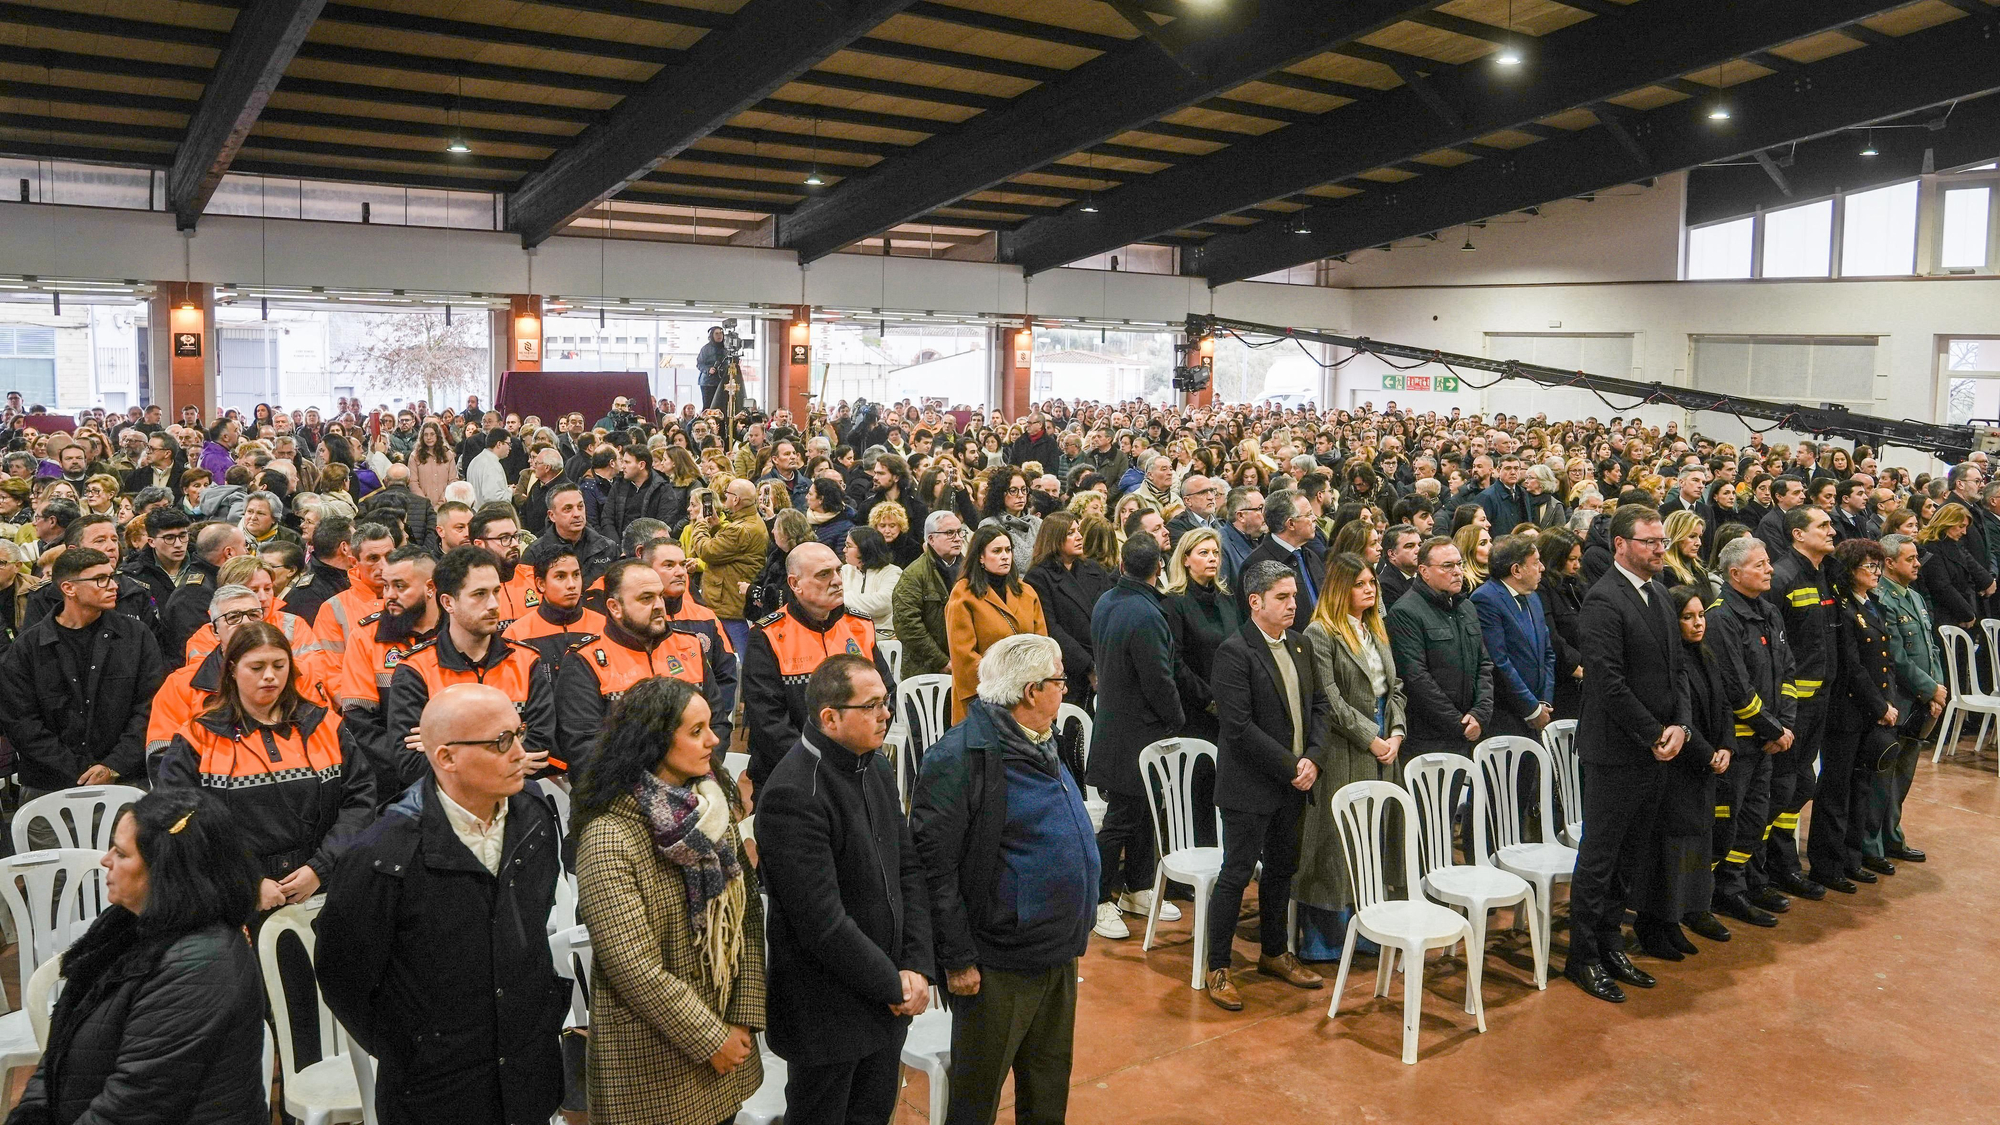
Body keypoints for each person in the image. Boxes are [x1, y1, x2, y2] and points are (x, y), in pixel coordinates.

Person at [315, 683, 566, 1125]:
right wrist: (410, 1047)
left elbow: (532, 926)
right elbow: (343, 973)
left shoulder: (534, 817)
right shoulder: (383, 851)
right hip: (435, 1089)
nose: (520, 753)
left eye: (520, 734)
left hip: (528, 1074)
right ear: (446, 757)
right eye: (501, 742)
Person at [909, 634, 1096, 1125]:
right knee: (977, 1099)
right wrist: (957, 960)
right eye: (1060, 680)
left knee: (1048, 1086)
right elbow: (935, 869)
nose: (1065, 689)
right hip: (997, 965)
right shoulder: (961, 757)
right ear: (1032, 691)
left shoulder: (1043, 740)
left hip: (1055, 952)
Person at [573, 676, 766, 1125]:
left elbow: (748, 918)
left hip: (723, 1050)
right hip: (651, 1063)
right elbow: (633, 969)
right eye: (696, 731)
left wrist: (741, 1020)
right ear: (655, 740)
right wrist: (711, 1038)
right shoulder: (609, 835)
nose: (715, 739)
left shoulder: (713, 808)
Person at [11, 789, 266, 1125]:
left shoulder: (201, 966)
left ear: (165, 871)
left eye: (120, 853)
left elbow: (133, 1108)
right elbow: (59, 1047)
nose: (105, 860)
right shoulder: (125, 925)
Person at [758, 655, 934, 1125]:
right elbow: (822, 923)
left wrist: (916, 963)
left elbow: (908, 871)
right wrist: (892, 982)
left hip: (885, 1001)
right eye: (872, 705)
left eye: (886, 703)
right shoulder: (792, 793)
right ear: (830, 717)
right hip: (826, 1013)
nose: (886, 714)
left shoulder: (872, 767)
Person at [158, 621, 375, 912]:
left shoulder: (325, 725)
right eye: (257, 667)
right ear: (233, 670)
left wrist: (321, 867)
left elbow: (360, 801)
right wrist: (245, 880)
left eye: (279, 665)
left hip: (323, 886)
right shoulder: (196, 737)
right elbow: (179, 823)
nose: (270, 676)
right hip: (235, 898)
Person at [1566, 505, 1690, 1004]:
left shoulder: (1658, 593)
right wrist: (1654, 733)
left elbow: (1677, 669)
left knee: (1631, 855)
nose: (1660, 548)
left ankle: (1612, 942)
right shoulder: (1603, 600)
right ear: (1621, 545)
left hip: (1656, 748)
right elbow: (1608, 682)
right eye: (1649, 541)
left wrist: (1680, 725)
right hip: (1615, 751)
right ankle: (1583, 955)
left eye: (1661, 540)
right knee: (1600, 856)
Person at [1203, 560, 1330, 1010]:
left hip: (1294, 782)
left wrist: (1312, 758)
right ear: (1255, 602)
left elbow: (1318, 706)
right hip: (1249, 787)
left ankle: (1273, 953)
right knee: (1236, 875)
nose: (1293, 604)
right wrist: (1292, 764)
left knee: (1282, 871)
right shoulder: (1234, 651)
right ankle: (1217, 966)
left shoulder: (1299, 645)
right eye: (1282, 597)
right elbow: (1238, 727)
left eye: (1294, 595)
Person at [0, 547, 166, 821]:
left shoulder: (136, 636)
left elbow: (150, 706)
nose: (113, 586)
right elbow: (20, 721)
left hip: (124, 783)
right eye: (100, 579)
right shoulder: (28, 647)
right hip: (48, 790)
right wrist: (79, 770)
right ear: (69, 588)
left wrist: (112, 766)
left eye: (112, 577)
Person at [1298, 551, 1405, 957]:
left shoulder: (1376, 628)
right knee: (1337, 838)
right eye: (1360, 585)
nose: (1369, 590)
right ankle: (1327, 940)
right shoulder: (1320, 633)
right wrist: (1370, 737)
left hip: (1384, 743)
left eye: (1372, 583)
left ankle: (1369, 925)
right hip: (1344, 747)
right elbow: (1329, 699)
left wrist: (1395, 732)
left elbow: (1394, 687)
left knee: (1374, 835)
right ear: (1340, 589)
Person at [384, 546, 555, 795]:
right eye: (479, 594)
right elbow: (410, 766)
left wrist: (451, 747)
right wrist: (508, 753)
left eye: (496, 591)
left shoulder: (527, 661)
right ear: (448, 603)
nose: (494, 604)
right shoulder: (415, 670)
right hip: (446, 816)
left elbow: (539, 750)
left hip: (518, 804)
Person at [1083, 534, 1184, 941]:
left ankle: (1138, 888)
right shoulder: (1145, 613)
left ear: (1122, 565)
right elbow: (1158, 678)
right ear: (1159, 568)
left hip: (1116, 722)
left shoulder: (1107, 601)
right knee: (1123, 818)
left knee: (1144, 812)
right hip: (1137, 731)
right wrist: (1176, 717)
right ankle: (1100, 898)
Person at [741, 541, 894, 789]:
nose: (836, 580)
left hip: (857, 767)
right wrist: (820, 765)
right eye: (824, 574)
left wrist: (861, 749)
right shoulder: (768, 634)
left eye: (838, 571)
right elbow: (768, 720)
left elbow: (887, 694)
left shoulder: (860, 625)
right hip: (791, 776)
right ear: (795, 584)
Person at [556, 558, 723, 775]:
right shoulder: (583, 660)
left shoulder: (689, 646)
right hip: (617, 798)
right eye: (646, 598)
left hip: (695, 785)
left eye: (660, 596)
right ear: (615, 608)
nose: (659, 606)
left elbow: (717, 720)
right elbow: (585, 750)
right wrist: (662, 780)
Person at [1637, 586, 1732, 961]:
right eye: (1688, 617)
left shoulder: (1706, 655)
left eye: (1701, 615)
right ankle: (1655, 922)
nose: (1698, 623)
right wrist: (1708, 754)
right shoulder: (1668, 661)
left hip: (1704, 768)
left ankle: (1681, 915)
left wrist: (1727, 746)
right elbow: (1678, 717)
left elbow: (1722, 705)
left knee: (1696, 845)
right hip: (1679, 768)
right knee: (1667, 851)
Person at [1703, 535, 1792, 929]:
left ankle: (1742, 883)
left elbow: (1787, 671)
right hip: (1740, 741)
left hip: (1768, 740)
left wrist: (1784, 725)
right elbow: (1737, 688)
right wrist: (1772, 729)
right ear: (1735, 573)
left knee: (1758, 817)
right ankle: (1722, 890)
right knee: (1730, 820)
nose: (1769, 569)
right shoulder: (1721, 617)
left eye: (1768, 563)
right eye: (1760, 565)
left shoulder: (1770, 611)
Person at [1764, 505, 1837, 903]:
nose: (1831, 530)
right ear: (1797, 534)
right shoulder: (1783, 578)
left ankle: (1780, 861)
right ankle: (1773, 865)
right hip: (1792, 707)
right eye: (1822, 525)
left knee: (1800, 783)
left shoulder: (1822, 573)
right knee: (1784, 785)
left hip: (1819, 700)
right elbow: (1777, 653)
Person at [1818, 537, 1897, 894]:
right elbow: (1852, 666)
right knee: (1836, 789)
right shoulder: (1843, 609)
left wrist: (1885, 704)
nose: (1876, 572)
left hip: (1870, 712)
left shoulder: (1873, 605)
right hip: (1847, 712)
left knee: (1861, 786)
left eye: (1878, 566)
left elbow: (1884, 661)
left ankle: (1852, 858)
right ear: (1852, 571)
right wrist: (1879, 706)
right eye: (1870, 566)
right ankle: (1827, 864)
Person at [338, 545, 441, 797]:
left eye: (400, 586)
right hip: (393, 784)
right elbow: (359, 722)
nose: (389, 596)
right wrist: (412, 763)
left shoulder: (457, 634)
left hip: (457, 770)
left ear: (430, 588)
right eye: (386, 586)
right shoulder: (365, 637)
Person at [1385, 536, 1492, 760]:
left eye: (1459, 564)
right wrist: (1459, 723)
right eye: (1447, 566)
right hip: (1430, 737)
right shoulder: (1405, 611)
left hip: (1472, 729)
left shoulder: (1467, 607)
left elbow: (1484, 663)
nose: (1457, 571)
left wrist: (1480, 714)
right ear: (1424, 571)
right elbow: (1416, 677)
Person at [1873, 533, 1939, 869]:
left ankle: (1892, 836)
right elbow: (1897, 657)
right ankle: (1874, 845)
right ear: (1889, 562)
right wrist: (1930, 690)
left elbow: (1930, 647)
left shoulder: (1913, 596)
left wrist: (1938, 688)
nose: (1917, 564)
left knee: (1903, 777)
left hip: (1922, 701)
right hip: (1899, 700)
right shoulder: (1883, 599)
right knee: (1883, 777)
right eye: (1910, 559)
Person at [943, 525, 1047, 725]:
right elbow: (963, 656)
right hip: (983, 700)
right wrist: (1005, 686)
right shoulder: (963, 594)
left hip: (1026, 697)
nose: (1005, 556)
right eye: (997, 551)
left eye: (1008, 550)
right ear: (980, 557)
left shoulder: (1027, 592)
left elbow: (1042, 645)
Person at [1022, 510, 1113, 709]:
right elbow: (1051, 629)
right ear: (1055, 538)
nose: (1079, 537)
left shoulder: (1094, 570)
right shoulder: (1038, 577)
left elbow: (1112, 612)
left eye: (1078, 531)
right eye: (1071, 533)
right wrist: (1089, 666)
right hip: (1069, 671)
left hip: (1105, 660)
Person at [1470, 533, 1556, 739]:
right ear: (1516, 570)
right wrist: (1531, 707)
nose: (1542, 568)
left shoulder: (1533, 596)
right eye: (1536, 563)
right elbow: (1499, 662)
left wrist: (1544, 702)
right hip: (1507, 715)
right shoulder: (1485, 599)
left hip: (1538, 709)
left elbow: (1548, 653)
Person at [1162, 526, 1242, 744]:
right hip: (1198, 709)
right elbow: (1175, 661)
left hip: (1234, 701)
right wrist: (1209, 700)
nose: (1212, 559)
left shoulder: (1226, 597)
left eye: (1216, 553)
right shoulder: (1173, 602)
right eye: (1204, 553)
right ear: (1186, 559)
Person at [688, 478, 770, 656]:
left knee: (743, 652)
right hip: (731, 597)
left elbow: (707, 551)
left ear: (736, 500)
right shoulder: (751, 522)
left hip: (729, 600)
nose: (725, 497)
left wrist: (701, 524)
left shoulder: (740, 529)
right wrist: (717, 527)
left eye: (728, 494)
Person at [504, 541, 608, 665]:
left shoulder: (605, 627)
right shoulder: (516, 634)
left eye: (576, 575)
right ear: (541, 584)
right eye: (560, 577)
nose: (571, 585)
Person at [890, 510, 963, 680]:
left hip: (964, 662)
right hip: (926, 669)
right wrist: (942, 661)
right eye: (950, 533)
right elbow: (907, 625)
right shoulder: (914, 575)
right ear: (931, 539)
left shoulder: (971, 570)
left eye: (960, 532)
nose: (958, 538)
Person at [1237, 488, 1322, 623]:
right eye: (1308, 514)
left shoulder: (1311, 556)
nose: (1314, 518)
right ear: (1291, 524)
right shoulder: (1256, 564)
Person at [522, 479, 619, 587]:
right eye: (568, 509)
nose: (577, 514)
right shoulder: (535, 553)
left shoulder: (608, 548)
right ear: (552, 515)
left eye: (580, 506)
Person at [1536, 528, 1588, 720]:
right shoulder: (1542, 588)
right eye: (1571, 559)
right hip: (1563, 677)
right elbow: (1549, 632)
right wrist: (1574, 665)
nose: (1576, 566)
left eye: (1579, 559)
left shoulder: (1576, 584)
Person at [840, 525, 903, 639]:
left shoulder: (892, 572)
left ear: (865, 549)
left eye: (848, 546)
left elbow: (882, 604)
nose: (844, 550)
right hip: (848, 635)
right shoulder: (845, 570)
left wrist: (843, 598)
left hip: (883, 638)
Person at [977, 466, 1041, 569]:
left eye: (1024, 489)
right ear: (999, 493)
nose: (1020, 495)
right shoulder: (989, 525)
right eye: (1013, 490)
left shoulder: (1038, 524)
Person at [1377, 523, 1421, 608]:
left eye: (1419, 545)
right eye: (1409, 546)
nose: (1418, 550)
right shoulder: (1386, 586)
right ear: (1392, 554)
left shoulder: (1426, 576)